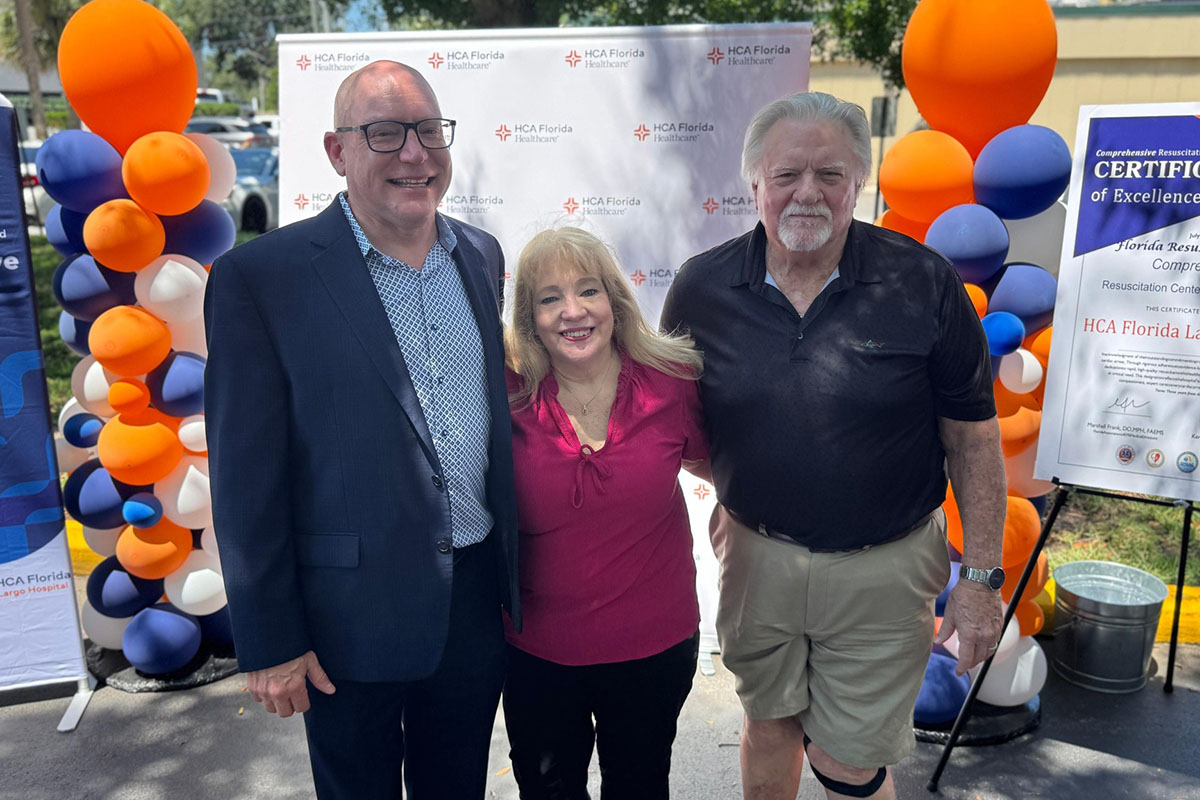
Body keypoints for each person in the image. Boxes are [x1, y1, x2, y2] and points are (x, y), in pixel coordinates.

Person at [660, 91, 1006, 800]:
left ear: (860, 183)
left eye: (830, 175)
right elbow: (679, 424)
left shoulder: (924, 283)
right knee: (770, 727)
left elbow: (974, 443)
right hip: (756, 558)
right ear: (754, 183)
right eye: (787, 175)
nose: (807, 194)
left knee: (849, 763)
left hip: (885, 567)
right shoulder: (702, 288)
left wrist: (979, 581)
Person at [204, 60, 518, 800]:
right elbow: (246, 478)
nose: (415, 153)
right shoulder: (263, 278)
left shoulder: (480, 255)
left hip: (472, 603)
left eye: (429, 131)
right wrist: (272, 640)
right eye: (385, 133)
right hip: (344, 618)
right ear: (337, 151)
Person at [502, 226, 708, 799]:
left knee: (639, 787)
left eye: (588, 291)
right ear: (529, 316)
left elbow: (725, 468)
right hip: (537, 652)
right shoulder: (504, 392)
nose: (573, 312)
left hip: (654, 647)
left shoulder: (673, 382)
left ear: (614, 302)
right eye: (549, 298)